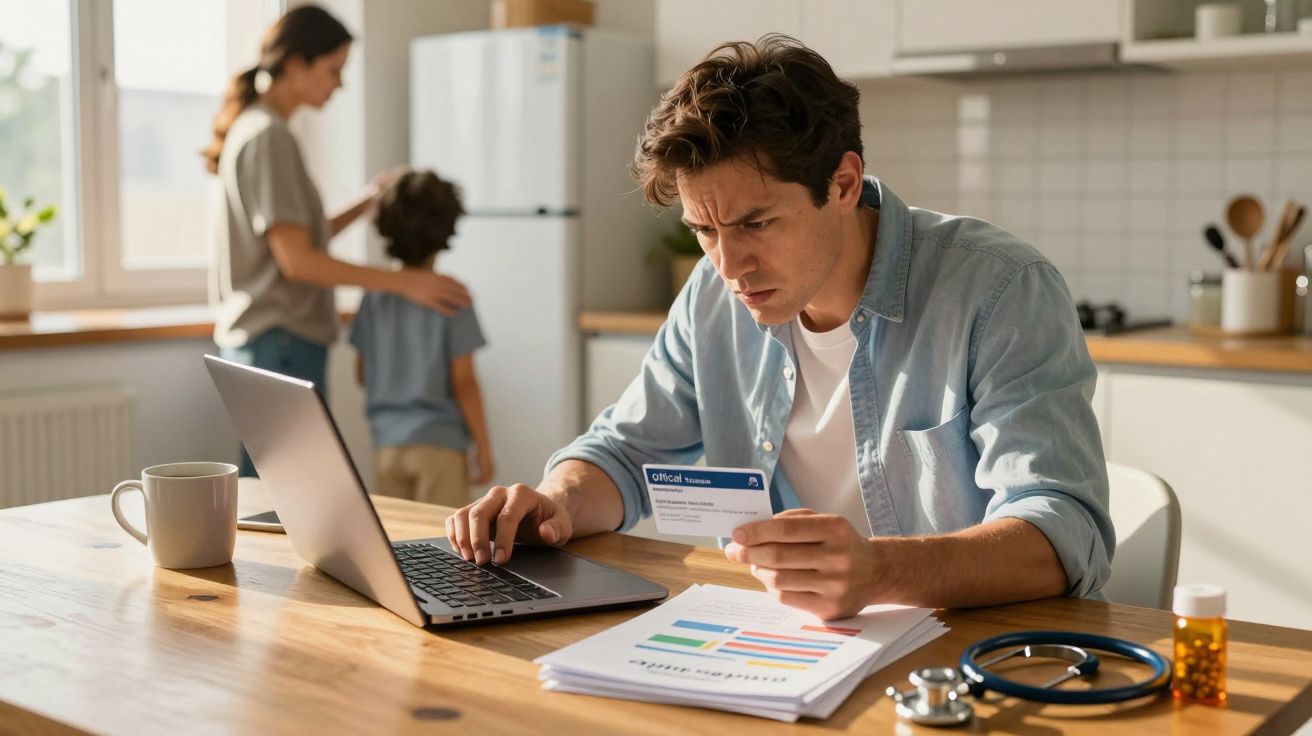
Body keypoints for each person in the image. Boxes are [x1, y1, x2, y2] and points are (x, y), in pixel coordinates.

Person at [447, 35, 1114, 621]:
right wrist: (554, 504)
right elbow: (624, 454)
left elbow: (1061, 530)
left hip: (960, 655)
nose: (729, 265)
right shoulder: (713, 295)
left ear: (844, 183)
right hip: (782, 645)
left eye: (756, 224)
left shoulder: (998, 290)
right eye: (704, 230)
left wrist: (880, 572)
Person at [205, 5, 469, 476]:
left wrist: (367, 200)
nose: (340, 84)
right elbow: (297, 262)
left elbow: (295, 238)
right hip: (281, 340)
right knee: (283, 490)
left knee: (272, 488)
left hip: (267, 339)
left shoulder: (256, 130)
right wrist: (405, 282)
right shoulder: (270, 139)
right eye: (334, 70)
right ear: (294, 63)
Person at [350, 170, 493, 506]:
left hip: (387, 447)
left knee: (398, 546)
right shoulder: (452, 296)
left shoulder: (374, 296)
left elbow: (362, 375)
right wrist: (484, 447)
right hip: (440, 447)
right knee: (445, 548)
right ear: (447, 230)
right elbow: (464, 383)